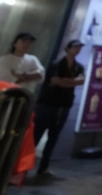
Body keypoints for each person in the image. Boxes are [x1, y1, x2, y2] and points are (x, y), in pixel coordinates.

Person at [33, 39, 86, 176]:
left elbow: (81, 81)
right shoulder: (57, 64)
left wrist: (65, 81)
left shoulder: (78, 67)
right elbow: (55, 81)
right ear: (68, 48)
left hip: (64, 105)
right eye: (75, 47)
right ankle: (22, 166)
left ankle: (43, 167)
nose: (77, 50)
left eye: (79, 48)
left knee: (53, 137)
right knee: (36, 134)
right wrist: (71, 82)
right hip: (47, 103)